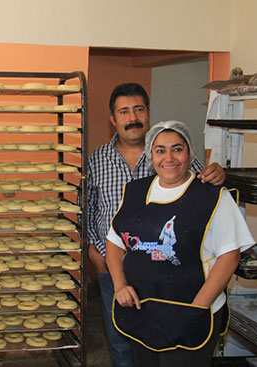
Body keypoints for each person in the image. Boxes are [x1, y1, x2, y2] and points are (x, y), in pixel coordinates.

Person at [86, 83, 226, 367]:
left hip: (164, 266)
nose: (132, 117)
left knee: (162, 336)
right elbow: (88, 207)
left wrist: (219, 173)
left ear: (148, 113)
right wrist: (92, 247)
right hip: (111, 261)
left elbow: (202, 192)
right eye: (123, 111)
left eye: (138, 109)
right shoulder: (98, 159)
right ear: (113, 119)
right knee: (119, 336)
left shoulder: (174, 159)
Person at [105, 120, 254, 367]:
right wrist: (120, 285)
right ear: (150, 155)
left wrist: (197, 309)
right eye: (160, 150)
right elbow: (114, 242)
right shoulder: (134, 191)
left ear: (190, 152)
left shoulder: (213, 196)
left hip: (192, 309)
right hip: (145, 309)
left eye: (177, 149)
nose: (169, 158)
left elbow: (230, 257)